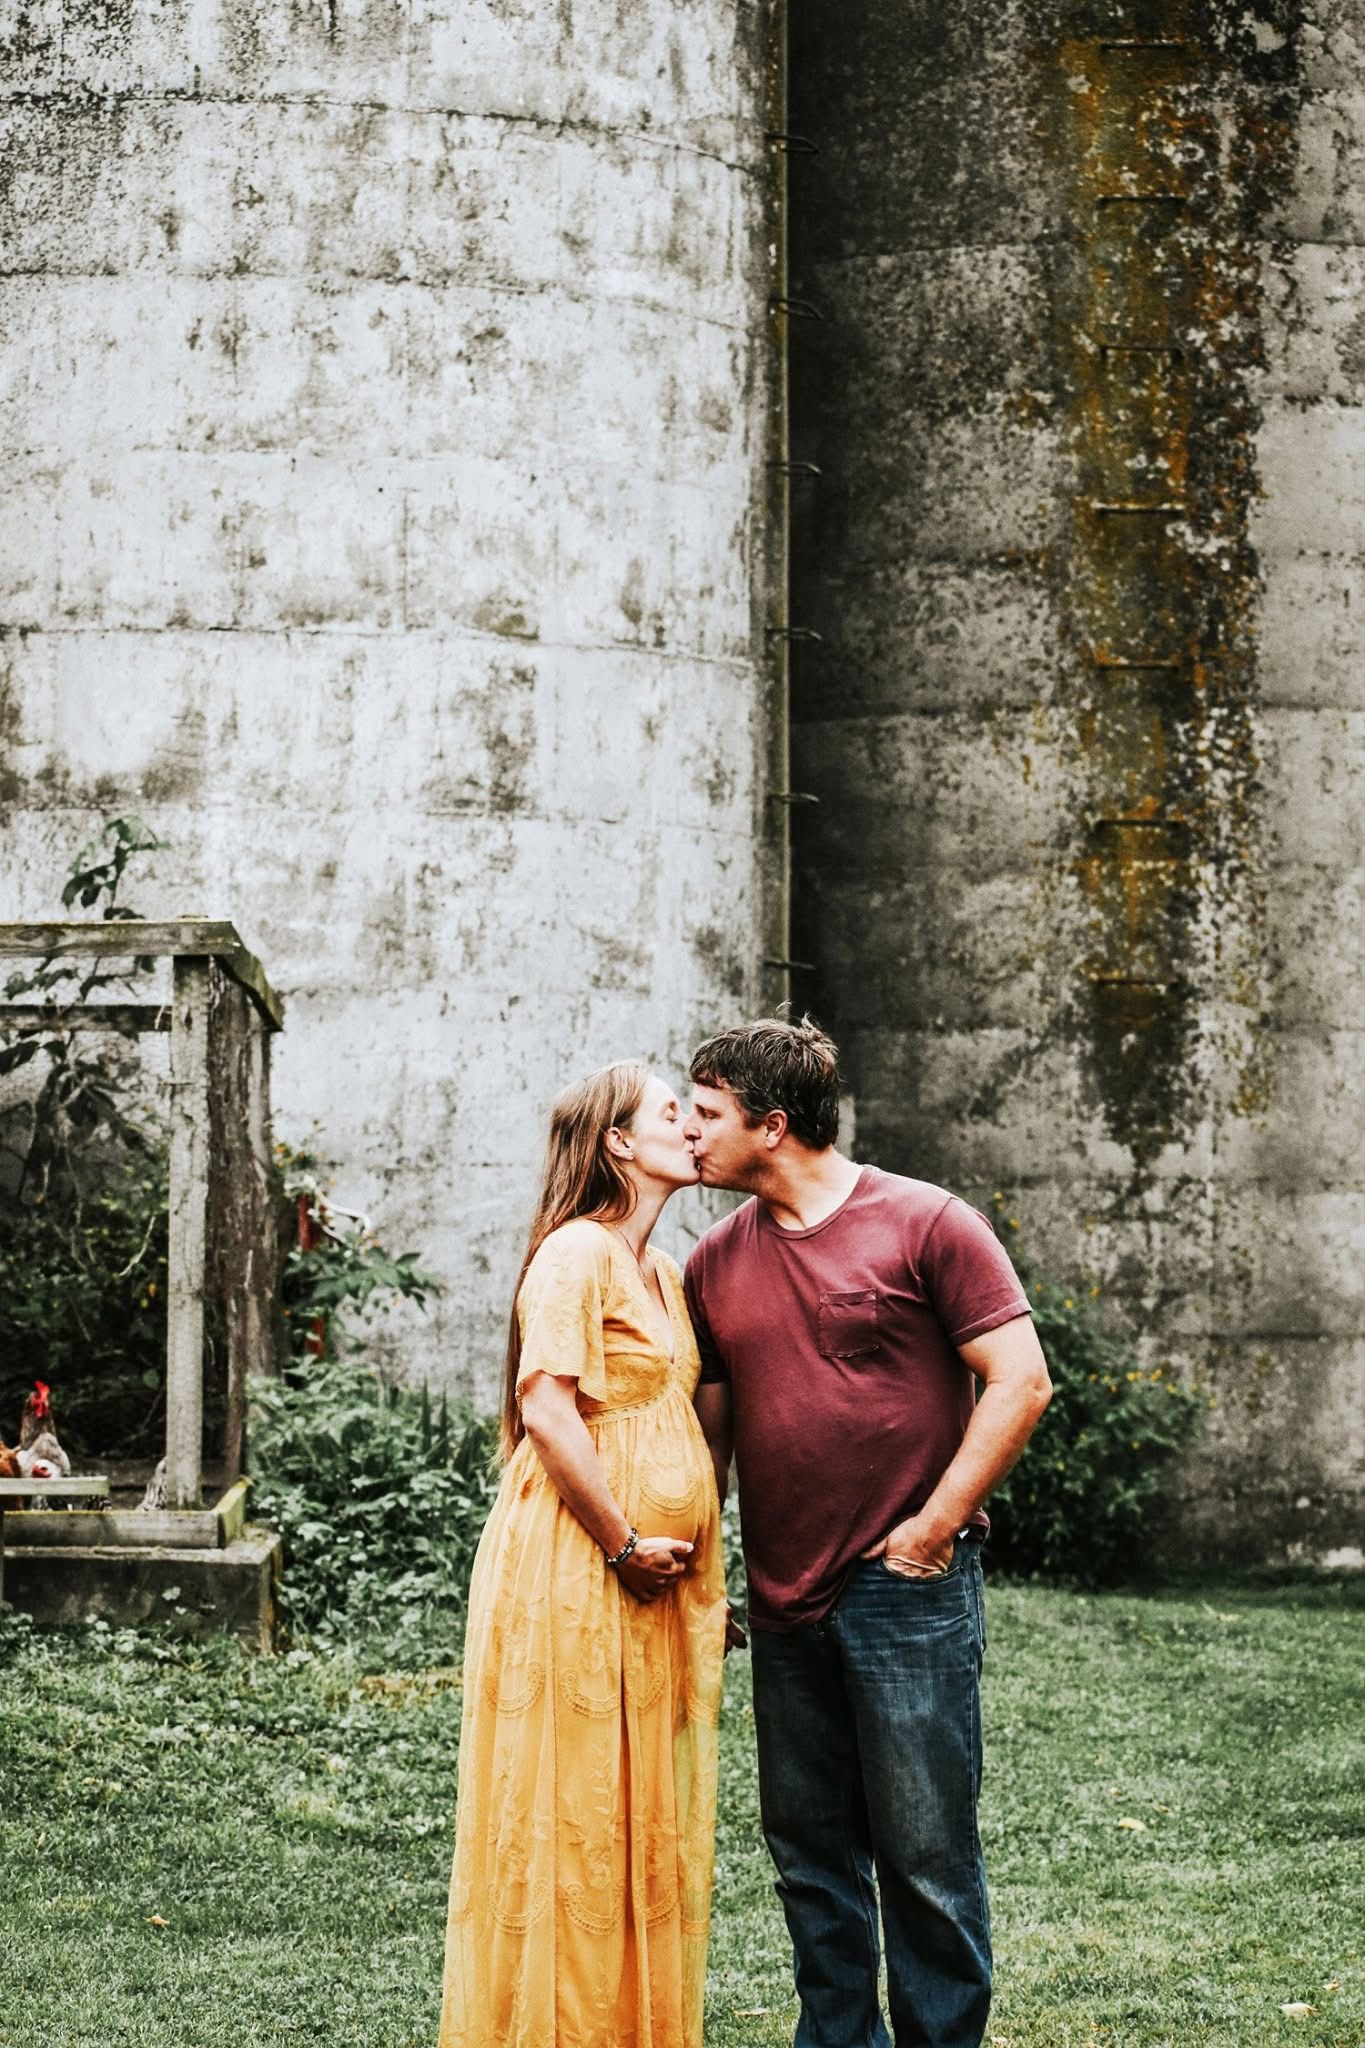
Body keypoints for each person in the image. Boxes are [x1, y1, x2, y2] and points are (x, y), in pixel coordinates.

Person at [682, 1017, 1052, 2048]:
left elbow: (1019, 1381)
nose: (690, 1131)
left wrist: (933, 1528)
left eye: (709, 1113)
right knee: (808, 1852)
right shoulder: (713, 1263)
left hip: (905, 1589)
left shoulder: (927, 1222)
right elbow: (704, 1453)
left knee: (926, 1855)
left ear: (772, 1122)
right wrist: (712, 1579)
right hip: (783, 1599)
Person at [439, 1062, 728, 2048]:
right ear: (616, 1140)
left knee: (632, 1806)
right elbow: (547, 1406)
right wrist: (621, 1539)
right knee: (575, 1810)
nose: (693, 1127)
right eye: (672, 1113)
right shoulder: (576, 1253)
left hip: (648, 1573)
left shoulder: (665, 1270)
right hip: (580, 1561)